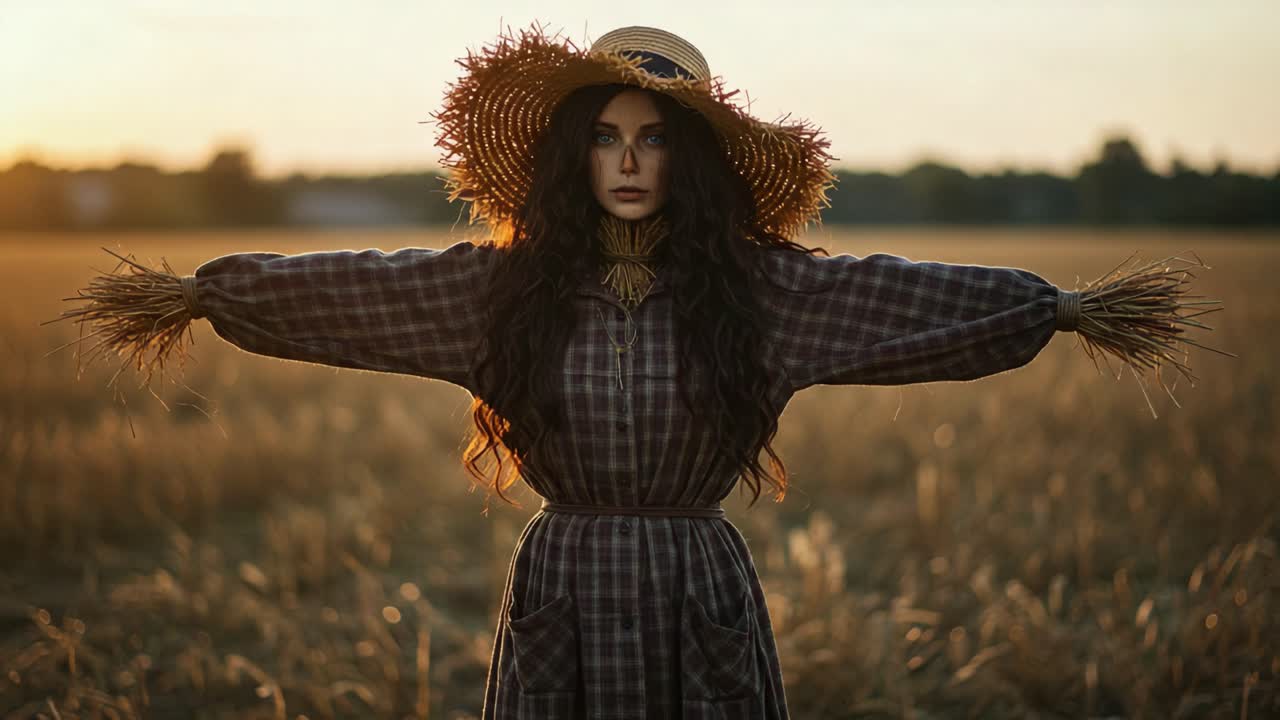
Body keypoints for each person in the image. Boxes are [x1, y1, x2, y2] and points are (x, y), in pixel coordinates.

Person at [120, 24, 1209, 720]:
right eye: (606, 137)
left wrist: (1055, 309)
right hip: (563, 584)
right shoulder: (498, 290)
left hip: (700, 588)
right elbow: (353, 290)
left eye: (655, 138)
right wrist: (210, 294)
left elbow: (906, 300)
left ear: (692, 158)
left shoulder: (763, 291)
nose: (631, 160)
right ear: (574, 154)